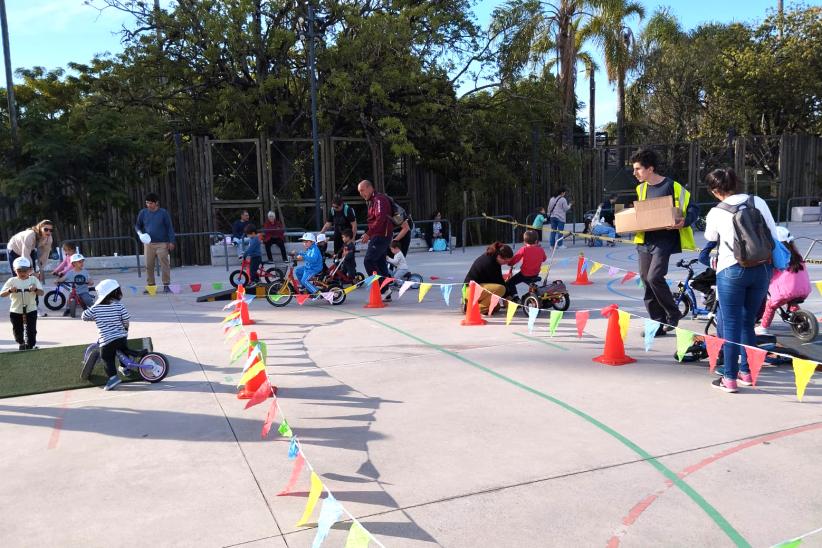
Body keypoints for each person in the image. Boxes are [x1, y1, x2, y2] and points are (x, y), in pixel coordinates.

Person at [703, 168, 778, 393]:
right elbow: (773, 233)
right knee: (748, 322)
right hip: (762, 268)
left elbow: (710, 237)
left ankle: (729, 377)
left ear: (715, 190)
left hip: (731, 269)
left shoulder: (717, 211)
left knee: (732, 322)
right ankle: (747, 372)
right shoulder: (758, 201)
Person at [630, 149, 698, 337]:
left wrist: (685, 220)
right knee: (645, 279)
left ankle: (673, 313)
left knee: (654, 277)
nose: (634, 173)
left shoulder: (672, 186)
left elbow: (693, 207)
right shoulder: (641, 189)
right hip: (645, 240)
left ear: (650, 169)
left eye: (638, 169)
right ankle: (656, 324)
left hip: (665, 240)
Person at [756, 227, 811, 336]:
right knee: (792, 301)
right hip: (803, 289)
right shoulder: (797, 255)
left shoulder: (777, 256)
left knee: (771, 306)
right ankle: (800, 319)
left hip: (786, 291)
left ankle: (763, 327)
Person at [81, 279, 131, 391]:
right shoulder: (119, 305)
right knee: (123, 350)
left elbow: (84, 316)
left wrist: (93, 315)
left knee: (107, 357)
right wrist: (125, 328)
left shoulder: (96, 308)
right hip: (122, 336)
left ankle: (113, 378)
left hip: (107, 340)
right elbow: (126, 319)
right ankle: (125, 368)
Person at [357, 179, 394, 301]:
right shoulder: (372, 201)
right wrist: (368, 233)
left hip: (381, 235)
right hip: (379, 235)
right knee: (380, 263)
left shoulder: (378, 199)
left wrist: (369, 233)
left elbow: (380, 219)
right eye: (359, 192)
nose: (361, 194)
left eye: (362, 190)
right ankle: (386, 292)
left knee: (368, 261)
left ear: (369, 188)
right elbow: (375, 220)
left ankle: (383, 289)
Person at [135, 193, 176, 293]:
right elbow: (137, 226)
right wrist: (140, 234)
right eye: (147, 203)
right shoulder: (143, 213)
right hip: (148, 244)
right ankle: (151, 286)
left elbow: (169, 227)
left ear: (156, 203)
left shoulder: (163, 213)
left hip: (162, 243)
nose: (148, 205)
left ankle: (166, 285)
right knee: (148, 265)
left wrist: (171, 241)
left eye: (150, 203)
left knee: (164, 264)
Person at [1, 257, 44, 350]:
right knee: (17, 331)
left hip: (31, 309)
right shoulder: (12, 281)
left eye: (25, 270)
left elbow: (41, 293)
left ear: (29, 270)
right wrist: (10, 290)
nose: (22, 273)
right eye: (19, 271)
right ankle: (21, 342)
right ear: (14, 270)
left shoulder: (33, 280)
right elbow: (2, 294)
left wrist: (35, 289)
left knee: (31, 330)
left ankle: (31, 345)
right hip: (16, 310)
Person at [464, 242, 514, 315]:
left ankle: (473, 304)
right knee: (501, 289)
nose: (506, 263)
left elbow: (498, 279)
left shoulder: (494, 260)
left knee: (496, 307)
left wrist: (507, 296)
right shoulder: (489, 262)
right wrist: (507, 297)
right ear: (499, 256)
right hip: (470, 290)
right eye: (505, 261)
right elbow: (498, 282)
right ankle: (473, 308)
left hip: (479, 288)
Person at [505, 230, 547, 300]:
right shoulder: (541, 249)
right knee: (530, 282)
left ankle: (516, 297)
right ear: (536, 241)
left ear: (524, 242)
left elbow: (516, 259)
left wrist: (510, 263)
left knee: (510, 283)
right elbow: (544, 259)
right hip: (535, 273)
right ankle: (536, 291)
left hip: (524, 274)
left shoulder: (524, 249)